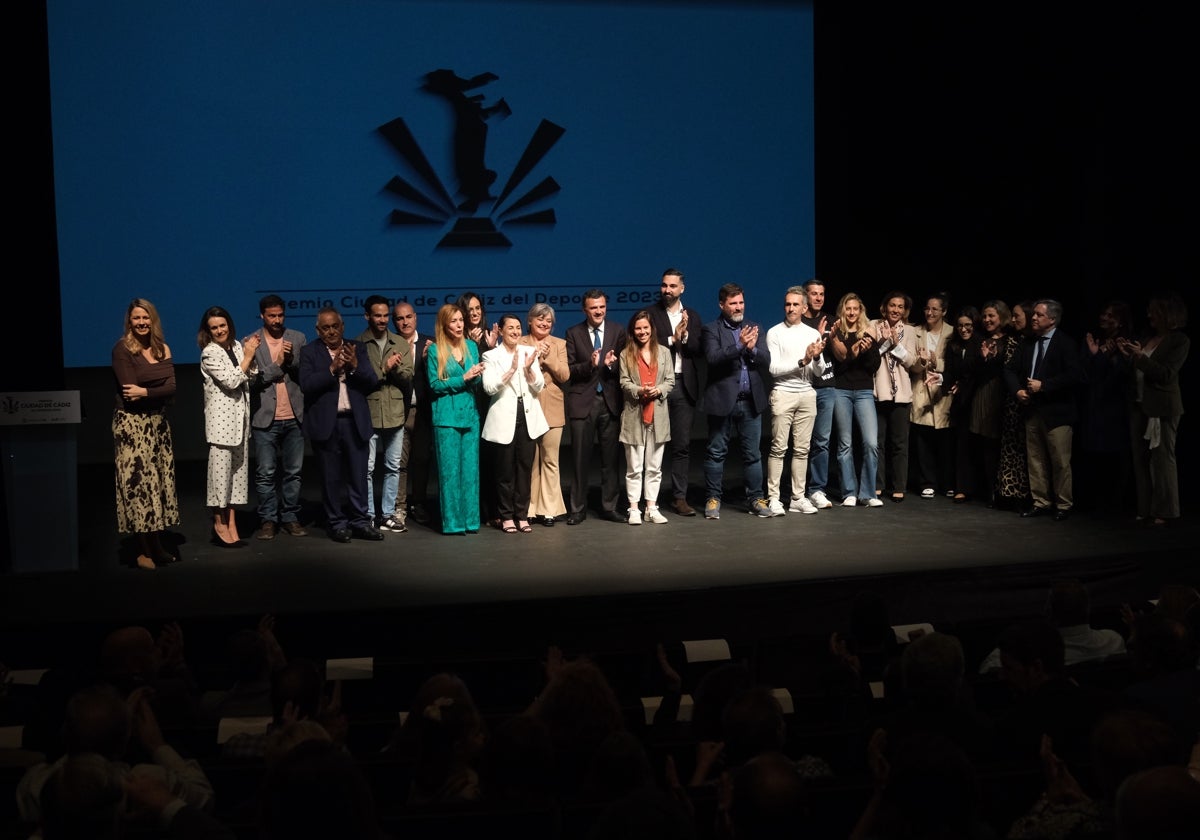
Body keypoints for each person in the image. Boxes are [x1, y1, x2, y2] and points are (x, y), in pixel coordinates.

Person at [298, 307, 382, 542]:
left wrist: (354, 365)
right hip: (327, 424)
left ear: (342, 327)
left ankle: (361, 522)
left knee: (358, 476)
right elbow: (307, 384)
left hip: (355, 423)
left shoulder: (357, 348)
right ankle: (336, 523)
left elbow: (372, 382)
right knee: (331, 478)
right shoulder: (309, 352)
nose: (332, 331)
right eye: (326, 328)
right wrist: (332, 369)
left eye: (335, 326)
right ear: (318, 330)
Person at [111, 298, 180, 569]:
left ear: (153, 320)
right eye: (136, 318)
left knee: (157, 486)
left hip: (157, 424)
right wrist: (154, 386)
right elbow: (130, 391)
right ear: (130, 321)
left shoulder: (162, 348)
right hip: (131, 425)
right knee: (139, 487)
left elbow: (172, 387)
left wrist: (147, 390)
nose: (141, 322)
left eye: (145, 317)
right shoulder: (122, 349)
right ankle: (144, 550)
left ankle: (156, 545)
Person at [1005, 299, 1082, 520]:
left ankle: (1063, 504)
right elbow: (1010, 370)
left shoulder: (1066, 343)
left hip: (1057, 412)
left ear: (1052, 319)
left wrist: (1044, 386)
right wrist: (1017, 391)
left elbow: (1074, 375)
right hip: (1032, 410)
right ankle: (1041, 502)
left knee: (1059, 460)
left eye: (1039, 315)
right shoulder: (1029, 343)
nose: (1034, 318)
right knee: (1035, 459)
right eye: (1034, 314)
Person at [701, 282, 772, 519]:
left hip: (750, 401)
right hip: (723, 400)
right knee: (716, 452)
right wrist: (739, 345)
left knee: (752, 454)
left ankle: (756, 498)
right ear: (722, 305)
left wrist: (751, 349)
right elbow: (712, 357)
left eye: (741, 302)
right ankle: (713, 498)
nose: (738, 306)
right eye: (733, 303)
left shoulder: (755, 327)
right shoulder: (711, 329)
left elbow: (765, 360)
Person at [1118, 292, 1188, 527]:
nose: (1149, 315)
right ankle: (1144, 508)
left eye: (1154, 311)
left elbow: (1166, 374)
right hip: (1139, 405)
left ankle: (1166, 511)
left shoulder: (1179, 341)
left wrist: (1140, 358)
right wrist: (1130, 356)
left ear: (1167, 314)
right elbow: (1138, 369)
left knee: (1162, 459)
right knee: (1140, 460)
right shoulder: (1149, 338)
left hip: (1163, 408)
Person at [198, 305, 259, 548]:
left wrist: (248, 358)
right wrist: (248, 357)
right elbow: (232, 380)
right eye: (214, 327)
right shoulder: (209, 353)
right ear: (208, 331)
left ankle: (232, 520)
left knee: (237, 477)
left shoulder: (235, 346)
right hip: (221, 425)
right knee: (219, 477)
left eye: (222, 325)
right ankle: (219, 520)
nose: (220, 330)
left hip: (240, 423)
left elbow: (250, 376)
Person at [564, 290, 628, 524]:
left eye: (601, 307)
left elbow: (624, 364)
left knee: (610, 460)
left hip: (610, 402)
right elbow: (569, 370)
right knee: (580, 458)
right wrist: (590, 365)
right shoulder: (573, 333)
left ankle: (609, 506)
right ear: (585, 310)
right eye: (593, 308)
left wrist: (611, 365)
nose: (598, 311)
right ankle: (578, 508)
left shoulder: (618, 331)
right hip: (583, 402)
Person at [765, 286, 828, 515]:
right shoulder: (775, 332)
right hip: (783, 393)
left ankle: (797, 497)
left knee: (802, 450)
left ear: (804, 307)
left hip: (807, 394)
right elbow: (773, 369)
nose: (790, 308)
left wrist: (817, 356)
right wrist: (802, 361)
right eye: (787, 304)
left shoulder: (812, 334)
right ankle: (773, 498)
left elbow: (819, 372)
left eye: (795, 304)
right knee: (779, 448)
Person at [482, 314, 548, 533]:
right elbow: (489, 388)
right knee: (504, 471)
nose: (515, 331)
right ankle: (506, 515)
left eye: (518, 328)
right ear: (500, 331)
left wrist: (529, 369)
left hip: (527, 417)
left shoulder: (529, 352)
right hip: (503, 418)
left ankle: (522, 515)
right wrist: (511, 370)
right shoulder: (490, 355)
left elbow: (539, 387)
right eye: (510, 327)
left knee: (524, 469)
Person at [646, 268, 704, 516]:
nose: (667, 290)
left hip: (683, 384)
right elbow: (643, 343)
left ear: (682, 289)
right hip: (656, 385)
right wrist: (672, 339)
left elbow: (697, 348)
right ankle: (649, 499)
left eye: (672, 286)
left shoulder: (693, 316)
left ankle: (679, 497)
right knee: (652, 444)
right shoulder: (649, 314)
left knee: (681, 445)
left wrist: (686, 335)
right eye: (664, 285)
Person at [249, 294, 307, 540]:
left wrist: (291, 361)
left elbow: (306, 373)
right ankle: (268, 519)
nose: (276, 320)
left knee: (293, 471)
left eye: (280, 315)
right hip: (265, 417)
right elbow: (252, 381)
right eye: (271, 315)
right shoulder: (251, 342)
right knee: (266, 472)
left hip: (294, 415)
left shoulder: (297, 338)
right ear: (262, 315)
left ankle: (291, 517)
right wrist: (279, 364)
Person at [356, 295, 414, 534]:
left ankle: (388, 514)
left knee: (393, 466)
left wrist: (396, 368)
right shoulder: (358, 343)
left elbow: (408, 375)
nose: (382, 320)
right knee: (367, 468)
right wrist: (384, 369)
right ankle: (368, 514)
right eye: (377, 315)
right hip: (368, 412)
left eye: (385, 315)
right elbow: (360, 379)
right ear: (367, 316)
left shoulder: (399, 342)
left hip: (395, 413)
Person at [427, 303, 486, 535]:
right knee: (450, 473)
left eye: (461, 320)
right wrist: (463, 378)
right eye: (454, 321)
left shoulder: (471, 345)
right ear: (444, 324)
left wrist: (476, 375)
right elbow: (434, 385)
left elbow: (477, 381)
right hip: (446, 417)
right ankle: (453, 523)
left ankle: (471, 521)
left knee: (471, 472)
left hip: (470, 415)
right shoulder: (435, 350)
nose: (460, 324)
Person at [619, 310, 675, 525]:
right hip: (635, 415)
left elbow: (670, 381)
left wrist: (658, 390)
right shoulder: (626, 354)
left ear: (652, 329)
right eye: (638, 328)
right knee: (634, 468)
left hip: (658, 415)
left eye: (645, 328)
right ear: (633, 330)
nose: (642, 332)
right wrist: (640, 390)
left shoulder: (663, 352)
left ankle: (651, 507)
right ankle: (634, 508)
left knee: (654, 467)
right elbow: (624, 382)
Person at [828, 292, 882, 507]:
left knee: (870, 442)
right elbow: (839, 366)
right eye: (848, 309)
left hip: (863, 391)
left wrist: (867, 352)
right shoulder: (837, 334)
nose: (851, 312)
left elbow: (874, 367)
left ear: (861, 311)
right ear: (843, 310)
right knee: (845, 444)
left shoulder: (868, 332)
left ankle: (868, 493)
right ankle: (849, 492)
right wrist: (853, 353)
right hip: (840, 390)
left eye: (855, 309)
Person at [520, 302, 570, 526]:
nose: (544, 323)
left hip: (552, 407)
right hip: (527, 406)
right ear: (530, 321)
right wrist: (534, 358)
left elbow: (565, 375)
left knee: (550, 460)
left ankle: (549, 510)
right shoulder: (520, 342)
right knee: (530, 460)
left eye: (548, 321)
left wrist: (547, 358)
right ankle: (529, 508)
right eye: (540, 319)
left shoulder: (559, 344)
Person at [391, 301, 435, 527]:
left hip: (424, 413)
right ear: (394, 321)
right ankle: (399, 507)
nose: (405, 322)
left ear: (416, 318)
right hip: (399, 412)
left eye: (408, 317)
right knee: (400, 463)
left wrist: (429, 360)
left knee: (422, 461)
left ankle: (419, 503)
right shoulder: (390, 344)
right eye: (400, 318)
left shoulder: (430, 343)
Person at [870, 291, 917, 502]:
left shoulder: (909, 331)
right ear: (884, 307)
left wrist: (896, 346)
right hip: (878, 391)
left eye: (900, 306)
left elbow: (912, 362)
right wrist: (884, 344)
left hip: (902, 394)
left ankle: (899, 486)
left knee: (900, 443)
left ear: (904, 310)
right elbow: (871, 356)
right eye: (892, 305)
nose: (896, 310)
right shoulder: (873, 326)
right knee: (877, 443)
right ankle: (878, 485)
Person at [909, 293, 956, 498]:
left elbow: (957, 365)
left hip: (943, 393)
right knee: (923, 441)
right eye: (927, 308)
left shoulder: (953, 333)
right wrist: (921, 361)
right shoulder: (916, 332)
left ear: (944, 311)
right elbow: (910, 363)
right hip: (921, 390)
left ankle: (947, 482)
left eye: (935, 309)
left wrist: (938, 363)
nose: (930, 312)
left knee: (945, 443)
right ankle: (927, 482)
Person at [803, 279, 838, 510]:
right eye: (814, 293)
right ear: (805, 296)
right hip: (804, 387)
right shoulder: (797, 321)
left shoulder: (832, 321)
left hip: (826, 387)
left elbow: (841, 355)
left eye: (822, 294)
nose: (818, 298)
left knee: (822, 442)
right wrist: (815, 337)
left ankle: (817, 489)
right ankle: (798, 490)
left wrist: (832, 337)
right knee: (801, 442)